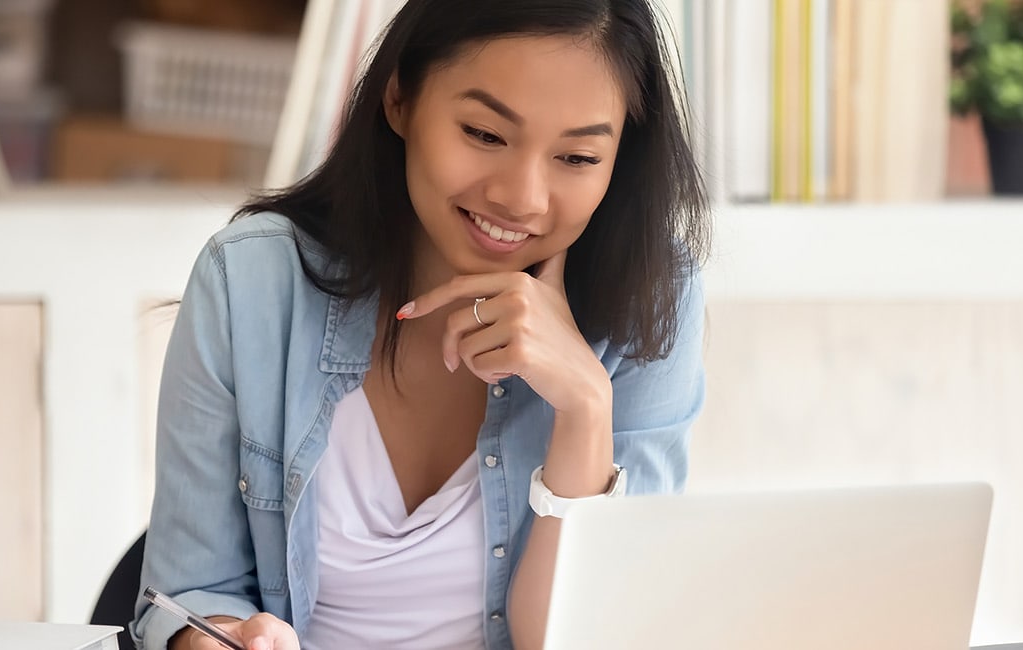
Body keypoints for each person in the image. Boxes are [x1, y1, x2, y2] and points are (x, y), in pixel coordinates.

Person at [132, 0, 709, 648]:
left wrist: (584, 407)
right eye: (486, 135)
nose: (522, 197)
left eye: (576, 159)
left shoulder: (650, 301)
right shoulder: (253, 282)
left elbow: (590, 636)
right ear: (400, 98)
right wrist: (215, 640)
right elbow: (186, 595)